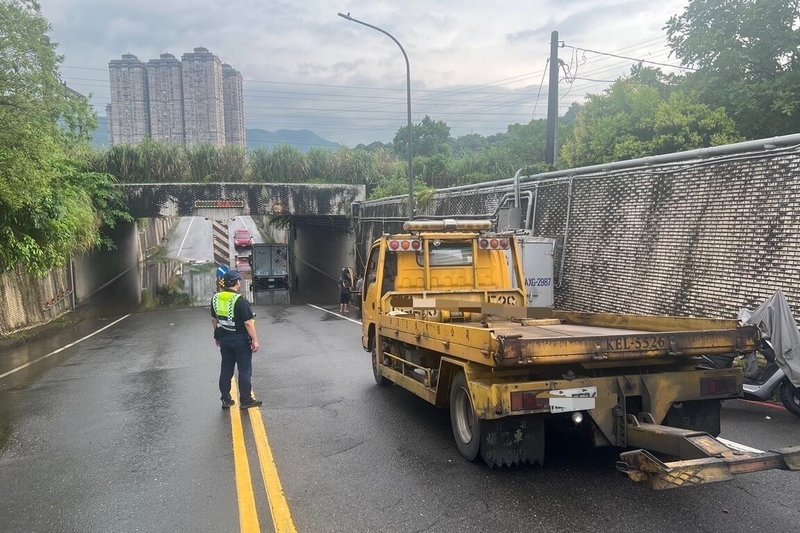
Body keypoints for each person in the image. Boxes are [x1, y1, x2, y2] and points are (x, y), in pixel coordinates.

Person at [211, 269, 262, 409]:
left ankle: (226, 399)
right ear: (237, 283)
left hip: (225, 339)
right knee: (244, 370)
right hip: (240, 340)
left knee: (226, 369)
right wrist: (255, 340)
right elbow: (248, 323)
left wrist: (217, 336)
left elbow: (214, 319)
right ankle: (245, 400)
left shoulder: (216, 298)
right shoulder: (240, 300)